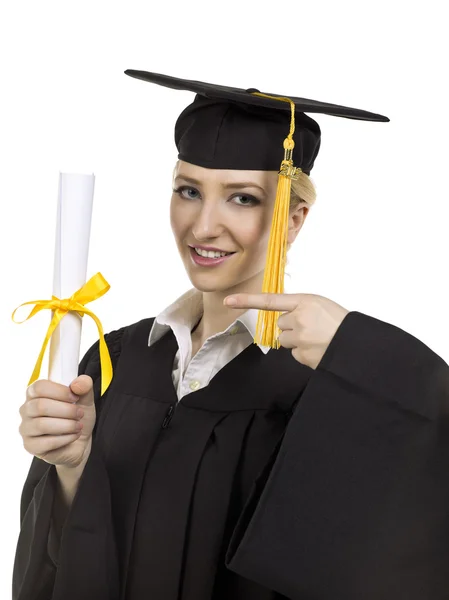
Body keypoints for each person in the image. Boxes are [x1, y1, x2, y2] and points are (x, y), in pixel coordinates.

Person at [12, 71, 449, 600]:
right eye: (188, 191)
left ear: (292, 219)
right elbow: (65, 559)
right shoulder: (116, 358)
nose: (202, 227)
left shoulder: (319, 382)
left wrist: (359, 351)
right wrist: (72, 469)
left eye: (242, 199)